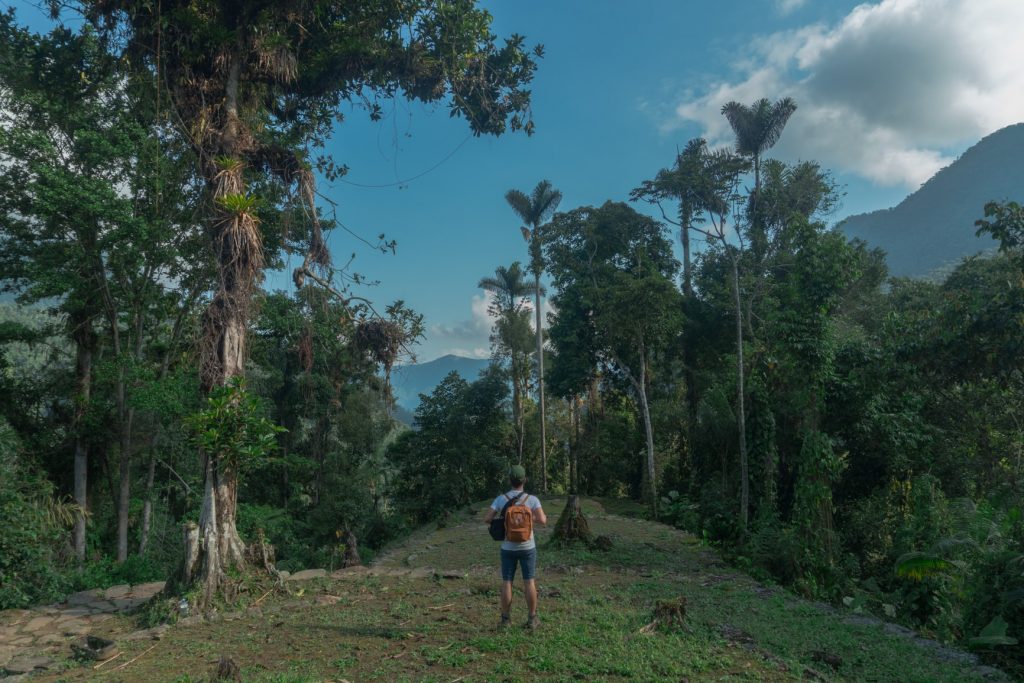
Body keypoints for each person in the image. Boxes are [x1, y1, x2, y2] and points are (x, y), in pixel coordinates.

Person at [483, 465, 547, 630]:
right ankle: (532, 619)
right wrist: (529, 517)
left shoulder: (501, 499)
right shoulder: (532, 500)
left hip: (508, 548)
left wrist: (505, 519)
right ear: (525, 480)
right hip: (528, 547)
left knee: (507, 582)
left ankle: (505, 621)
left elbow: (487, 519)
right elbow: (543, 520)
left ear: (510, 480)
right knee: (529, 582)